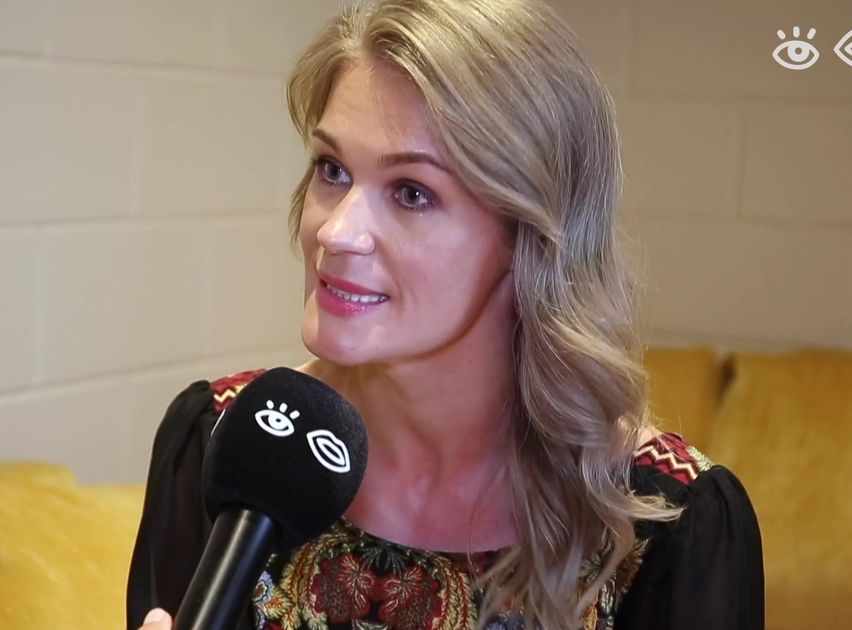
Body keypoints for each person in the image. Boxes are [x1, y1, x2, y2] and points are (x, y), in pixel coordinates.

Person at [126, 0, 764, 628]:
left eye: (411, 193)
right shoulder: (221, 440)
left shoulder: (665, 523)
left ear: (529, 237)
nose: (336, 232)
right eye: (332, 169)